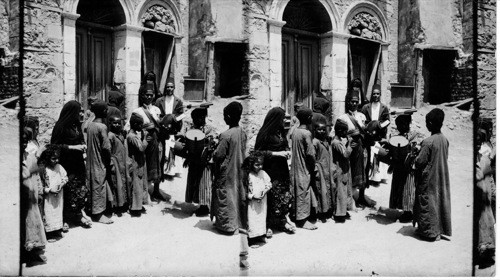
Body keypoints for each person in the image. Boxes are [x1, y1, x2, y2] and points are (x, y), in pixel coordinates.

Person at [254, 107, 295, 236]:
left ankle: (281, 220)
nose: (285, 120)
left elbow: (285, 144)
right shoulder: (265, 133)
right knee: (271, 196)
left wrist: (287, 151)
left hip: (281, 169)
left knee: (283, 195)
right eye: (283, 118)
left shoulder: (281, 131)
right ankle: (267, 224)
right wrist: (277, 153)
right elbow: (258, 152)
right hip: (270, 169)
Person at [51, 101, 92, 228]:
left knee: (79, 190)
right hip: (66, 164)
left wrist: (83, 146)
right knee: (67, 190)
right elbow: (54, 146)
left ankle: (78, 215)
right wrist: (73, 147)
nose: (81, 113)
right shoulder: (61, 126)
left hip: (77, 163)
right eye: (79, 111)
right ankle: (64, 219)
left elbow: (80, 139)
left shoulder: (76, 125)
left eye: (82, 111)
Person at [413, 108, 451, 241]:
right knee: (439, 202)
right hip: (441, 176)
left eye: (426, 122)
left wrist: (415, 153)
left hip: (429, 178)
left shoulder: (428, 142)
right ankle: (439, 229)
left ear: (430, 123)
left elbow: (420, 161)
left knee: (427, 202)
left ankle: (430, 233)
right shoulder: (444, 140)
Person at [212, 101, 247, 235]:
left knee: (225, 196)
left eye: (225, 115)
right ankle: (237, 223)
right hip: (239, 169)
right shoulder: (242, 132)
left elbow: (219, 155)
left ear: (230, 116)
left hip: (227, 172)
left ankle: (227, 226)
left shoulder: (225, 135)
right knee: (237, 195)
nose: (224, 118)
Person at [338, 90, 374, 208]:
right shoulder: (343, 117)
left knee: (363, 170)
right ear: (348, 103)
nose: (354, 104)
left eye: (356, 102)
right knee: (350, 172)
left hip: (362, 148)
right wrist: (350, 137)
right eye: (352, 102)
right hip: (351, 149)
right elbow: (337, 134)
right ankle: (351, 199)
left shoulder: (362, 116)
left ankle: (362, 197)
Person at [128, 83, 163, 202]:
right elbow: (131, 126)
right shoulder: (137, 111)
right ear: (142, 96)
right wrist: (145, 128)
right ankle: (144, 194)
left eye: (151, 95)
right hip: (144, 141)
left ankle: (155, 191)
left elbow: (161, 125)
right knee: (144, 165)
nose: (149, 97)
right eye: (146, 95)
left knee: (156, 163)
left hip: (156, 141)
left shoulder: (157, 110)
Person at [179, 108, 217, 216]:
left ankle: (204, 207)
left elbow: (212, 144)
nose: (197, 120)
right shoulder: (191, 129)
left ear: (203, 118)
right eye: (195, 119)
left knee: (203, 182)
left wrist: (208, 146)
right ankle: (200, 204)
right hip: (194, 160)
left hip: (204, 161)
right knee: (195, 182)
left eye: (200, 118)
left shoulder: (209, 129)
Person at [388, 113, 424, 222]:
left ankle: (408, 212)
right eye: (398, 125)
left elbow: (417, 150)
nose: (400, 127)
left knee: (408, 188)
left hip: (409, 168)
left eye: (402, 124)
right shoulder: (397, 137)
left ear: (408, 124)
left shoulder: (414, 136)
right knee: (399, 188)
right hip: (399, 167)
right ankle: (402, 209)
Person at [21, 127, 48, 264]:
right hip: (21, 200)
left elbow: (35, 174)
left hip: (31, 198)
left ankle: (32, 251)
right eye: (21, 141)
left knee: (32, 224)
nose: (24, 145)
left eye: (26, 141)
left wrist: (39, 190)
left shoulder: (28, 156)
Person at [86, 100, 113, 224]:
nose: (107, 111)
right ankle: (98, 214)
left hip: (91, 159)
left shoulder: (90, 125)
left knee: (92, 183)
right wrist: (109, 160)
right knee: (99, 184)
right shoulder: (102, 127)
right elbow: (106, 147)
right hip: (99, 159)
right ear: (103, 111)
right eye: (106, 109)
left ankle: (91, 209)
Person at [290, 108, 317, 230]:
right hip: (303, 165)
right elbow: (310, 153)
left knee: (297, 188)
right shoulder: (307, 134)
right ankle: (302, 220)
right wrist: (313, 165)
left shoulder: (295, 131)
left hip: (295, 165)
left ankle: (296, 214)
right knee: (303, 190)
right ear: (308, 118)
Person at [474, 127, 496, 267]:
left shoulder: (485, 161)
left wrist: (493, 194)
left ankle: (485, 252)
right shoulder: (479, 161)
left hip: (484, 202)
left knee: (484, 226)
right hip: (479, 201)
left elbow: (491, 180)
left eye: (478, 143)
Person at [155, 76, 184, 178]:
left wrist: (175, 119)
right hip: (163, 128)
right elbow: (156, 114)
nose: (169, 89)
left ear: (174, 88)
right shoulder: (159, 101)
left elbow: (181, 114)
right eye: (167, 87)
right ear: (165, 88)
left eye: (171, 87)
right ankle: (163, 170)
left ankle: (172, 170)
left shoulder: (178, 101)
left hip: (173, 128)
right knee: (163, 149)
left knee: (173, 147)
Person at [242, 151, 272, 248]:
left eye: (261, 164)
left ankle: (260, 235)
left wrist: (264, 191)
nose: (259, 167)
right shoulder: (248, 175)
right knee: (252, 219)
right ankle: (251, 239)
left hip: (262, 201)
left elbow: (269, 184)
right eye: (257, 164)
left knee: (261, 218)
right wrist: (252, 196)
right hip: (252, 203)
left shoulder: (263, 173)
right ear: (251, 164)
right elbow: (244, 191)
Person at [38, 145, 68, 242]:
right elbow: (40, 186)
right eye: (53, 158)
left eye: (57, 158)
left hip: (58, 196)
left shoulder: (59, 167)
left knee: (58, 212)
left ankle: (57, 230)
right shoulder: (44, 169)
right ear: (47, 158)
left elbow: (65, 178)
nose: (56, 161)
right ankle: (49, 233)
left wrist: (61, 185)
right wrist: (49, 190)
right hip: (48, 198)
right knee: (48, 214)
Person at [127, 113, 151, 216]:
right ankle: (135, 208)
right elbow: (141, 148)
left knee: (141, 183)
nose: (141, 127)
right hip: (135, 163)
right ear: (135, 124)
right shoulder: (131, 136)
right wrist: (145, 139)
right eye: (140, 124)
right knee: (136, 185)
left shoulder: (135, 135)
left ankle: (139, 205)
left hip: (139, 162)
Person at [331, 119, 353, 222]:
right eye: (345, 131)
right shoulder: (336, 142)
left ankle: (343, 210)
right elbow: (345, 154)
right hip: (339, 170)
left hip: (343, 169)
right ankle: (339, 214)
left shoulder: (339, 141)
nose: (346, 133)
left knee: (344, 190)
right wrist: (350, 144)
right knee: (340, 191)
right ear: (339, 131)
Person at [312, 121, 333, 222]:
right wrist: (316, 170)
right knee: (320, 191)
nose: (321, 131)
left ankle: (328, 211)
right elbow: (313, 157)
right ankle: (320, 214)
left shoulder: (325, 141)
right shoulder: (315, 142)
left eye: (323, 130)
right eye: (319, 129)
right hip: (320, 171)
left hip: (327, 170)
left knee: (327, 191)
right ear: (314, 130)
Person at [108, 114, 128, 212]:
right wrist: (112, 164)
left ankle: (122, 204)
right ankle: (115, 206)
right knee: (115, 184)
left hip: (122, 163)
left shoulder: (120, 134)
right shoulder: (110, 135)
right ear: (110, 124)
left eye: (118, 123)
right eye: (114, 123)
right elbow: (109, 151)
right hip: (115, 164)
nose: (117, 125)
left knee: (122, 184)